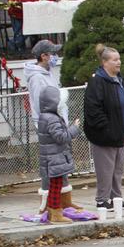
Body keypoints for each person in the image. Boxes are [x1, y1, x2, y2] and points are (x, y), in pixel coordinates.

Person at [25, 39, 78, 213]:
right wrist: (52, 120)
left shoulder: (48, 73)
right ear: (44, 56)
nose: (56, 57)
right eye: (53, 54)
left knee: (61, 161)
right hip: (48, 123)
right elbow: (43, 103)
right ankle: (49, 203)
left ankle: (64, 200)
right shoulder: (37, 78)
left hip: (56, 120)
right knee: (52, 163)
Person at [83, 44, 124, 212]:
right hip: (104, 136)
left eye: (119, 59)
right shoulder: (97, 81)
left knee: (118, 169)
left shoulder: (120, 80)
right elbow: (93, 110)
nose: (119, 62)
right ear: (105, 62)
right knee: (105, 170)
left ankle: (116, 199)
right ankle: (102, 200)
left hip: (121, 133)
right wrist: (106, 128)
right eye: (115, 60)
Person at [36, 85, 81, 223]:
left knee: (55, 185)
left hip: (51, 158)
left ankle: (53, 210)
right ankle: (56, 214)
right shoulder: (52, 119)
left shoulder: (44, 117)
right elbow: (61, 137)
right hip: (55, 158)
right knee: (55, 186)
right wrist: (74, 128)